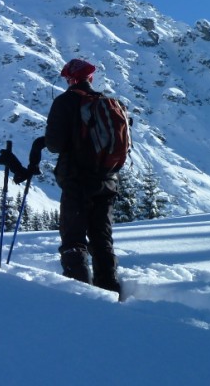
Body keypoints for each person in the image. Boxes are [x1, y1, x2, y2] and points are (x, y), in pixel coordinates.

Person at [44, 58, 121, 294]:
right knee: (102, 239)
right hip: (107, 181)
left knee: (74, 239)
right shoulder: (109, 103)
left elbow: (54, 144)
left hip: (77, 180)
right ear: (91, 78)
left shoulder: (65, 102)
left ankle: (80, 298)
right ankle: (111, 292)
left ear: (70, 78)